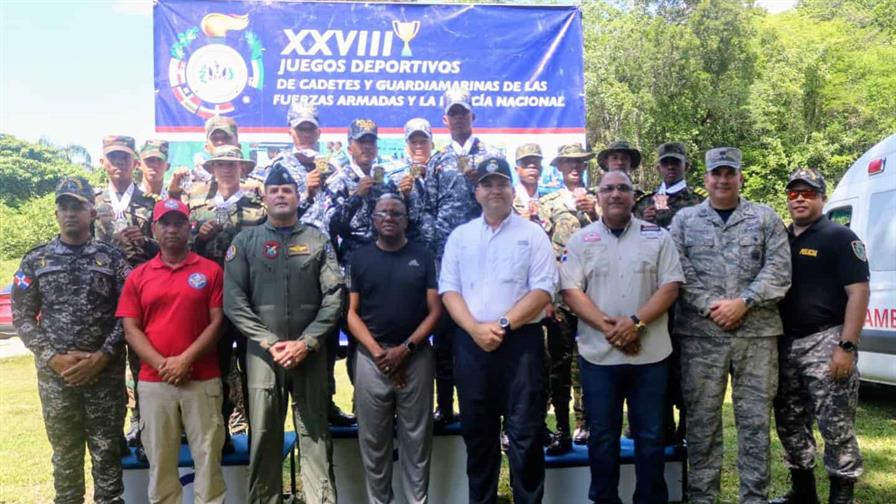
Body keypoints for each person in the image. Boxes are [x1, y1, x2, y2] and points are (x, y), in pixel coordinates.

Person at [670, 147, 791, 504]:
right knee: (702, 422)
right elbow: (678, 271)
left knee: (754, 423)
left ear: (740, 177)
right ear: (705, 179)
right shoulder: (685, 220)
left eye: (730, 173)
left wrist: (745, 302)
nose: (723, 180)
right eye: (716, 173)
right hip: (701, 338)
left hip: (757, 334)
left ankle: (754, 497)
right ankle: (702, 497)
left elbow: (779, 270)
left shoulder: (765, 218)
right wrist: (711, 307)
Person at [560, 170, 684, 503]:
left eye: (623, 189)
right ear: (597, 196)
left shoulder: (658, 236)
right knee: (602, 437)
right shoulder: (580, 240)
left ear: (634, 196)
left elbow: (670, 286)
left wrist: (635, 324)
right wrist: (612, 328)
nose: (615, 194)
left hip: (651, 356)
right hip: (599, 357)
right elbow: (571, 291)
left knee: (651, 435)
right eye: (608, 189)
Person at [440, 156, 557, 504]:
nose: (495, 190)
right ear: (476, 192)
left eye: (501, 183)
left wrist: (503, 324)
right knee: (479, 437)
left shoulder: (532, 234)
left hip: (521, 345)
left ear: (512, 189)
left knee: (526, 437)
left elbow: (543, 290)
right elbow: (450, 290)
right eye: (487, 184)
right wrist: (475, 329)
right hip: (471, 345)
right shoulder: (460, 237)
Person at [224, 165, 342, 504]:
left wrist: (308, 342)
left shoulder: (317, 240)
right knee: (264, 437)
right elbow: (233, 299)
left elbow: (334, 295)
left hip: (311, 353)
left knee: (316, 436)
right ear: (264, 197)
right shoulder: (246, 241)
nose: (280, 194)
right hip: (264, 356)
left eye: (287, 190)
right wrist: (269, 341)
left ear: (297, 196)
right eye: (273, 190)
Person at [11, 177, 130, 504]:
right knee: (65, 458)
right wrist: (52, 357)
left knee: (107, 455)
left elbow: (129, 314)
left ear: (92, 212)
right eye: (64, 207)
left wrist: (103, 356)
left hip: (103, 376)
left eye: (77, 206)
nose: (70, 213)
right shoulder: (36, 261)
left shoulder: (112, 260)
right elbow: (21, 316)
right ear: (55, 213)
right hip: (57, 377)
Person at [118, 198, 226, 504]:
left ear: (189, 228)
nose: (172, 229)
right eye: (165, 223)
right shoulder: (138, 276)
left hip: (202, 379)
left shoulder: (210, 271)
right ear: (154, 229)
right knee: (161, 463)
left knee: (208, 459)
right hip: (155, 382)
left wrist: (184, 361)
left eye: (179, 223)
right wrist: (164, 365)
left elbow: (217, 323)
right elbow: (131, 329)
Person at [771, 167, 869, 504]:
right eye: (793, 193)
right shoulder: (782, 238)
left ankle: (841, 496)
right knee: (789, 422)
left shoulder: (840, 237)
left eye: (808, 193)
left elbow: (859, 293)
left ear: (822, 198)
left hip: (826, 341)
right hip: (785, 345)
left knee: (836, 426)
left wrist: (847, 345)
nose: (799, 198)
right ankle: (803, 492)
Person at [347, 195, 442, 504]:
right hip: (371, 359)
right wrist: (379, 354)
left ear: (406, 220)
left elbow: (435, 311)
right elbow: (351, 313)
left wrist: (406, 349)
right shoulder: (360, 258)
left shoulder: (423, 256)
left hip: (416, 358)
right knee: (374, 443)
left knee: (417, 440)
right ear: (373, 219)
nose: (389, 217)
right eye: (382, 212)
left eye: (396, 213)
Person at [427, 87, 501, 426]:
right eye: (453, 113)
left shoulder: (490, 156)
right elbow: (427, 210)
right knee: (445, 334)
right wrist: (435, 255)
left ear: (473, 116)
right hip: (447, 261)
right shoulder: (437, 159)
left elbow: (503, 203)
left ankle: (486, 404)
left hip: (484, 259)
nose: (458, 118)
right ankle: (445, 404)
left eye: (464, 112)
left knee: (482, 327)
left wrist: (480, 181)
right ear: (445, 119)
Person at [189, 145, 266, 446]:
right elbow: (185, 254)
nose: (226, 169)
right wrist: (200, 237)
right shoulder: (197, 209)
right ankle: (217, 432)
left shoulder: (258, 209)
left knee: (253, 369)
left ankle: (258, 432)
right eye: (220, 164)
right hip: (211, 303)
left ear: (243, 169)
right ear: (212, 169)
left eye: (232, 164)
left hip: (249, 301)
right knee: (214, 368)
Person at [633, 141, 706, 444]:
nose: (671, 167)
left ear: (686, 165)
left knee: (688, 365)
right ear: (658, 167)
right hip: (653, 296)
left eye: (676, 162)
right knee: (656, 361)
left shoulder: (700, 202)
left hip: (689, 298)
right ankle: (660, 425)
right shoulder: (643, 203)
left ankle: (687, 429)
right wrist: (644, 222)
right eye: (666, 163)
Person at [93, 134, 159, 455]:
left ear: (135, 163)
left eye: (124, 158)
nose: (119, 164)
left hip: (142, 299)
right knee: (108, 367)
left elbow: (168, 250)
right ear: (103, 161)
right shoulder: (91, 203)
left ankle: (143, 427)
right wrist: (109, 247)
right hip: (102, 301)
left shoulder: (150, 203)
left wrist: (145, 243)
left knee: (143, 363)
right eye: (113, 158)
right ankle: (114, 434)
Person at [537, 143, 598, 448]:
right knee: (558, 364)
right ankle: (562, 427)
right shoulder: (547, 203)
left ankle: (587, 424)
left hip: (594, 296)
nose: (574, 167)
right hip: (561, 296)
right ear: (559, 167)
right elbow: (541, 250)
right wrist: (546, 296)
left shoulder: (601, 198)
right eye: (568, 163)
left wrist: (594, 211)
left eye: (579, 162)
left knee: (589, 362)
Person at [388, 117, 436, 248]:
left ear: (432, 144)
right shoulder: (395, 178)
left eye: (423, 141)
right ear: (406, 146)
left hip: (442, 250)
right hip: (409, 251)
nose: (418, 146)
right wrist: (404, 197)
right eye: (413, 142)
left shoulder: (442, 173)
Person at [512, 143, 544, 223]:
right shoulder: (507, 200)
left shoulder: (549, 200)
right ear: (517, 170)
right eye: (526, 163)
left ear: (541, 169)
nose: (532, 166)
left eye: (536, 163)